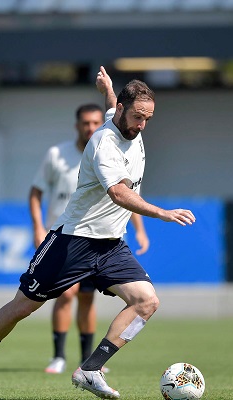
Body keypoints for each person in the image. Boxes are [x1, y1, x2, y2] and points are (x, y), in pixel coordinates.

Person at [0, 66, 195, 400]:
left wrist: (108, 90)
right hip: (73, 241)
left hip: (111, 245)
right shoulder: (103, 143)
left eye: (148, 120)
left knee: (146, 301)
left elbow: (115, 105)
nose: (142, 126)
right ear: (125, 111)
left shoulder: (125, 120)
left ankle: (91, 368)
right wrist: (161, 213)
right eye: (138, 117)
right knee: (21, 308)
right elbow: (119, 193)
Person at [29, 103, 150, 374]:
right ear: (77, 125)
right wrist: (38, 227)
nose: (91, 127)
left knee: (86, 299)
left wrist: (140, 229)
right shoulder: (57, 154)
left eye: (96, 122)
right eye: (85, 123)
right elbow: (35, 192)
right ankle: (59, 356)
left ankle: (87, 360)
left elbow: (126, 197)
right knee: (65, 295)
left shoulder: (112, 149)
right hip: (67, 237)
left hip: (97, 238)